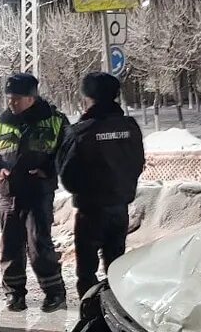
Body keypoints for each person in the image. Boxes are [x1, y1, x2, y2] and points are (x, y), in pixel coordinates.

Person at [0, 72, 69, 312]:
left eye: (17, 98)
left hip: (38, 192)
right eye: (9, 97)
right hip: (9, 192)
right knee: (10, 245)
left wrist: (49, 170)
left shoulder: (54, 120)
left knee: (38, 243)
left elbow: (67, 152)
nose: (12, 102)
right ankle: (14, 293)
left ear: (31, 98)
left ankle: (54, 292)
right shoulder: (0, 122)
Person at [57, 72, 145, 298]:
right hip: (120, 208)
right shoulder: (130, 127)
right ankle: (119, 313)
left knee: (86, 271)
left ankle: (91, 316)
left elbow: (67, 175)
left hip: (90, 211)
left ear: (87, 97)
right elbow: (137, 163)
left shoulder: (81, 132)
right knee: (117, 268)